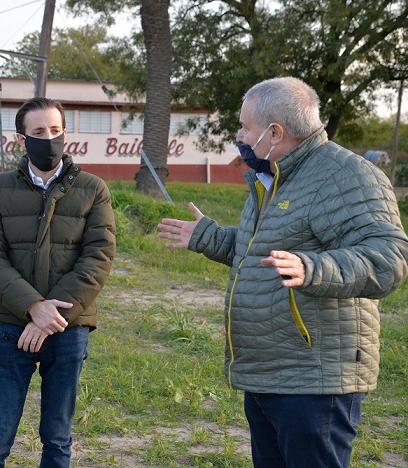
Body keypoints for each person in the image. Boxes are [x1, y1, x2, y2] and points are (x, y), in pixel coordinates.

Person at [157, 76, 408, 467]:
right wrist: (207, 237)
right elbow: (263, 253)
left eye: (245, 127)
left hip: (314, 380)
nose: (239, 135)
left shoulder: (347, 175)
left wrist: (313, 267)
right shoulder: (272, 176)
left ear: (275, 132)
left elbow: (388, 258)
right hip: (268, 372)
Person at [0, 97, 116, 467]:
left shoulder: (93, 189)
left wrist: (50, 314)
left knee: (57, 437)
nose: (48, 138)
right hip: (11, 328)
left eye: (55, 131)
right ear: (23, 139)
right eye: (38, 132)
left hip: (68, 327)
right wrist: (33, 307)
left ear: (65, 134)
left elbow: (98, 257)